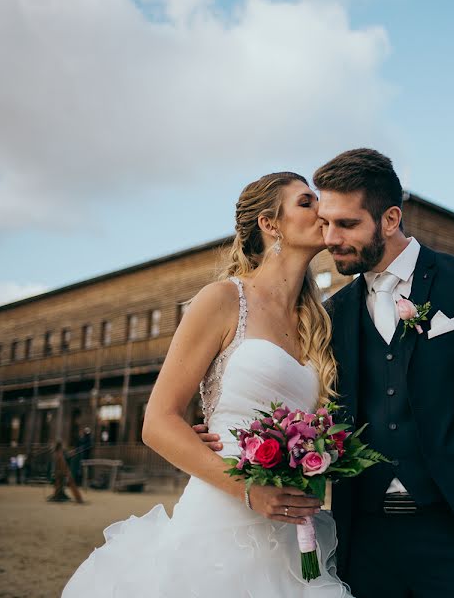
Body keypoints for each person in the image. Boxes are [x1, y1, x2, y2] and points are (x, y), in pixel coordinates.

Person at [201, 149, 454, 597]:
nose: (331, 239)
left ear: (389, 219)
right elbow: (301, 403)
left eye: (347, 225)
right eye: (325, 223)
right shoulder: (332, 315)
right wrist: (221, 435)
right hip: (361, 543)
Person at [63, 173, 352, 596]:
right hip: (221, 520)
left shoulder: (317, 322)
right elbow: (158, 422)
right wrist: (249, 490)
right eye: (307, 202)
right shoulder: (222, 300)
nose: (322, 211)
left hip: (292, 533)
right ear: (270, 224)